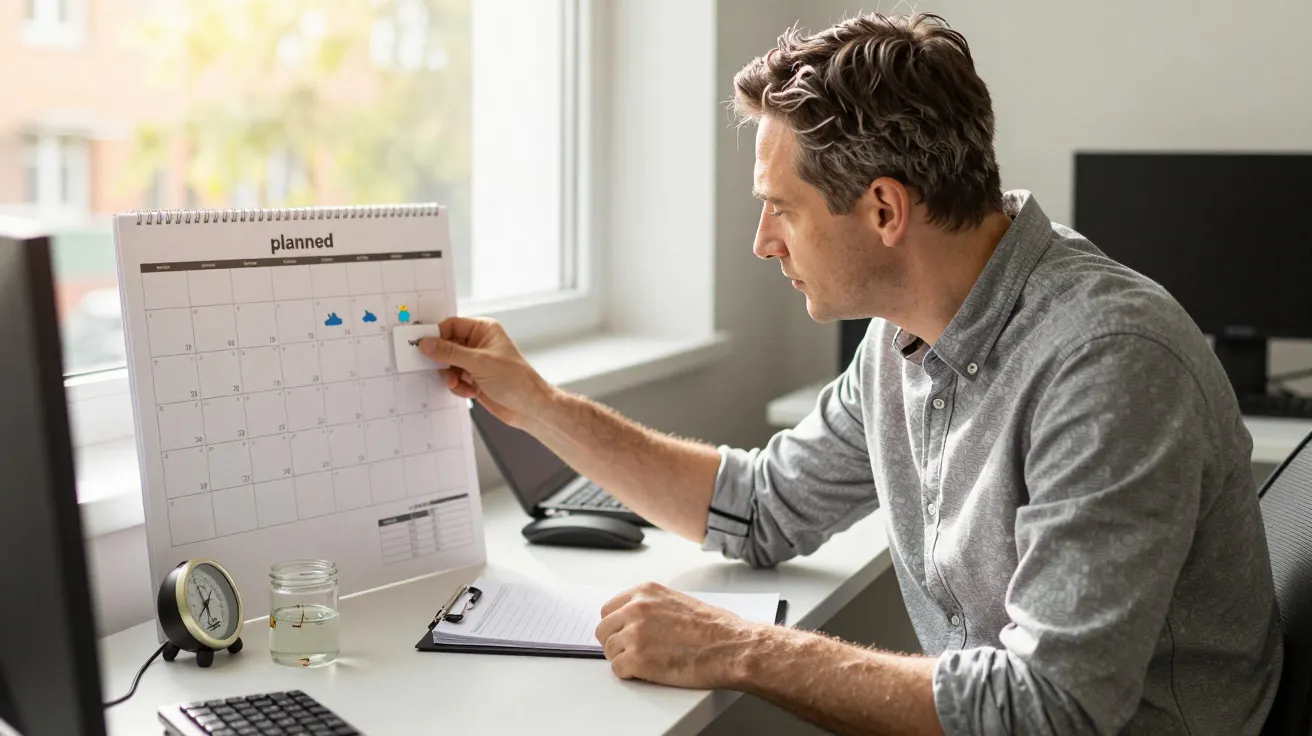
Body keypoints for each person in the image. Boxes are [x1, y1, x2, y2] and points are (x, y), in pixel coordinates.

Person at [419, 11, 1282, 735]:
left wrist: (738, 649)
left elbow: (1050, 710)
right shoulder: (904, 334)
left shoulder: (1109, 362)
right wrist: (535, 405)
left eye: (779, 209)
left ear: (882, 209)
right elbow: (759, 508)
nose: (762, 243)